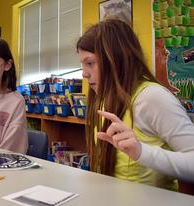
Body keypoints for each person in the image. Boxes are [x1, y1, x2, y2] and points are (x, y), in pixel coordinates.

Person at [76, 18, 194, 190]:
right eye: (82, 64)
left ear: (116, 59)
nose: (84, 74)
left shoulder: (152, 97)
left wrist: (142, 152)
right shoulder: (105, 98)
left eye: (90, 63)